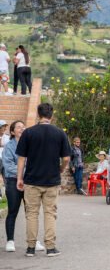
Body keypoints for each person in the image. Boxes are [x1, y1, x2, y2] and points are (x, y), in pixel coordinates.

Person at [16, 103, 71, 257]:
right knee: (50, 213)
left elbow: (21, 158)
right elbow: (66, 158)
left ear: (38, 114)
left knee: (31, 213)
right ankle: (51, 247)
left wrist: (19, 178)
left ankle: (31, 247)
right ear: (51, 115)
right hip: (52, 180)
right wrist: (61, 169)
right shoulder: (60, 133)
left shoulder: (28, 133)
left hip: (32, 180)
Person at [3, 120, 45, 253]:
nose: (22, 129)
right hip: (12, 181)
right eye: (18, 127)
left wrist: (26, 171)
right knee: (12, 211)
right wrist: (24, 170)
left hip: (29, 183)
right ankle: (10, 240)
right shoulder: (9, 146)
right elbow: (8, 166)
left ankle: (34, 240)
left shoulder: (31, 145)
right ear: (12, 131)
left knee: (31, 213)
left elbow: (35, 162)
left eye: (23, 126)